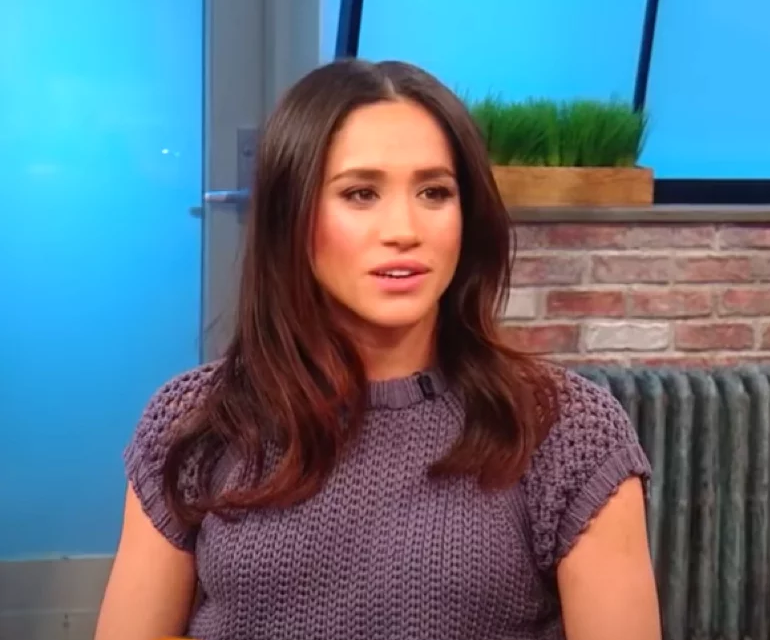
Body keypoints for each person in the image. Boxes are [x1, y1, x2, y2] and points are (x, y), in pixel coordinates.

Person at [95, 58, 660, 640]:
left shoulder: (565, 429)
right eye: (361, 193)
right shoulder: (196, 420)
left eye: (434, 192)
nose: (404, 230)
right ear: (292, 216)